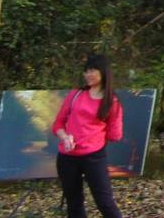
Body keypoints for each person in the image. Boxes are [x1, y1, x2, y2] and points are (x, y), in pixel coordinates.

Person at [51, 53, 125, 218]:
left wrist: (94, 136)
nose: (88, 74)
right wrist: (65, 137)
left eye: (93, 70)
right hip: (67, 157)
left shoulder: (112, 101)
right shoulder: (75, 95)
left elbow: (115, 135)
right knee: (74, 203)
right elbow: (58, 124)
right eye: (86, 71)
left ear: (104, 72)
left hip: (94, 157)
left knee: (104, 202)